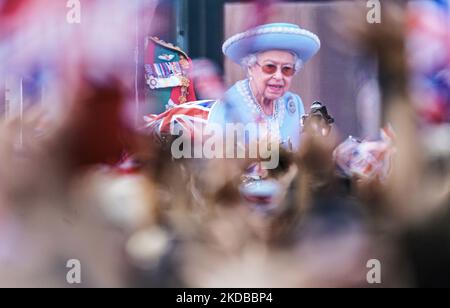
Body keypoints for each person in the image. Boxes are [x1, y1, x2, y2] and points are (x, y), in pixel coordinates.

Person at [209, 22, 321, 151]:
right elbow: (216, 163)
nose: (279, 76)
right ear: (250, 68)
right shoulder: (227, 107)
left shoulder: (294, 103)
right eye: (270, 67)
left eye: (287, 69)